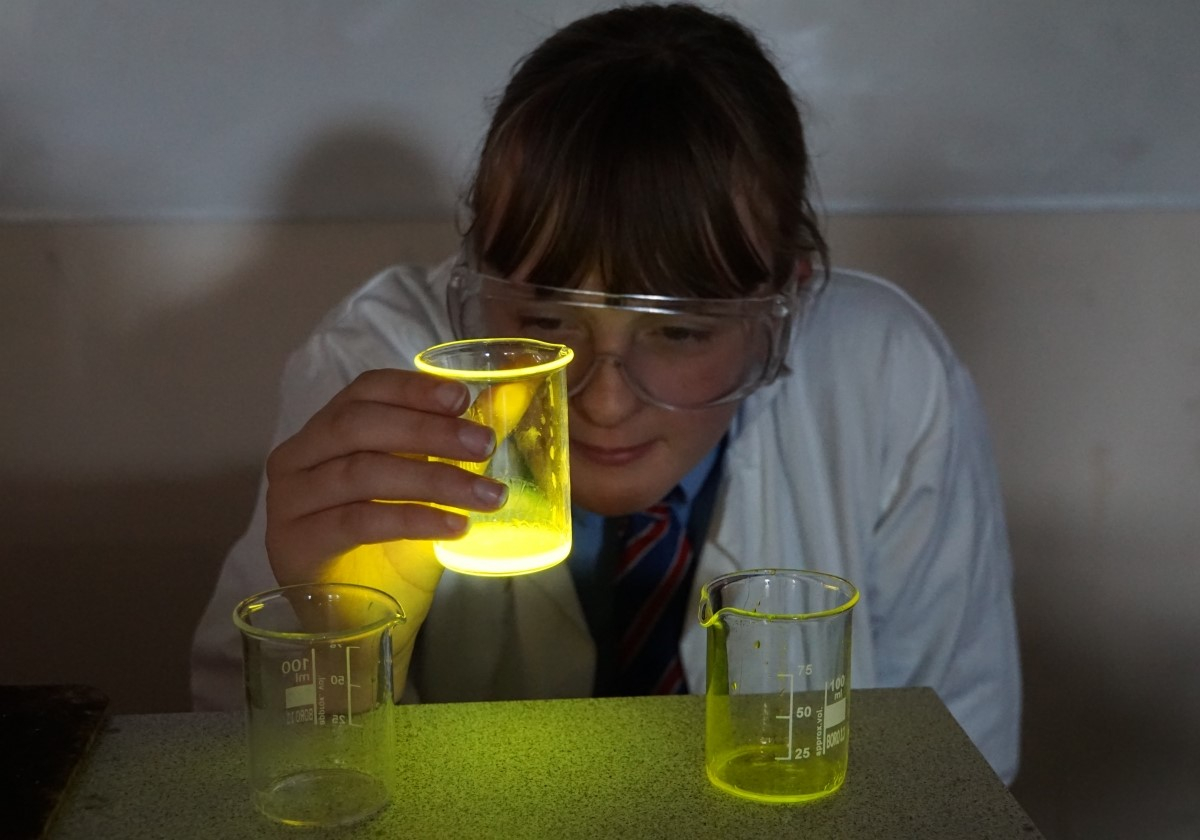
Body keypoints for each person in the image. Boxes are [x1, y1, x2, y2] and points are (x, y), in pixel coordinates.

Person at [191, 2, 1021, 783]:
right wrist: (332, 641)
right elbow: (241, 765)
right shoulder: (380, 372)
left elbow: (954, 761)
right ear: (477, 279)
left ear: (788, 302)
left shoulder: (885, 375)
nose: (605, 400)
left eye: (681, 332)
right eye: (545, 321)